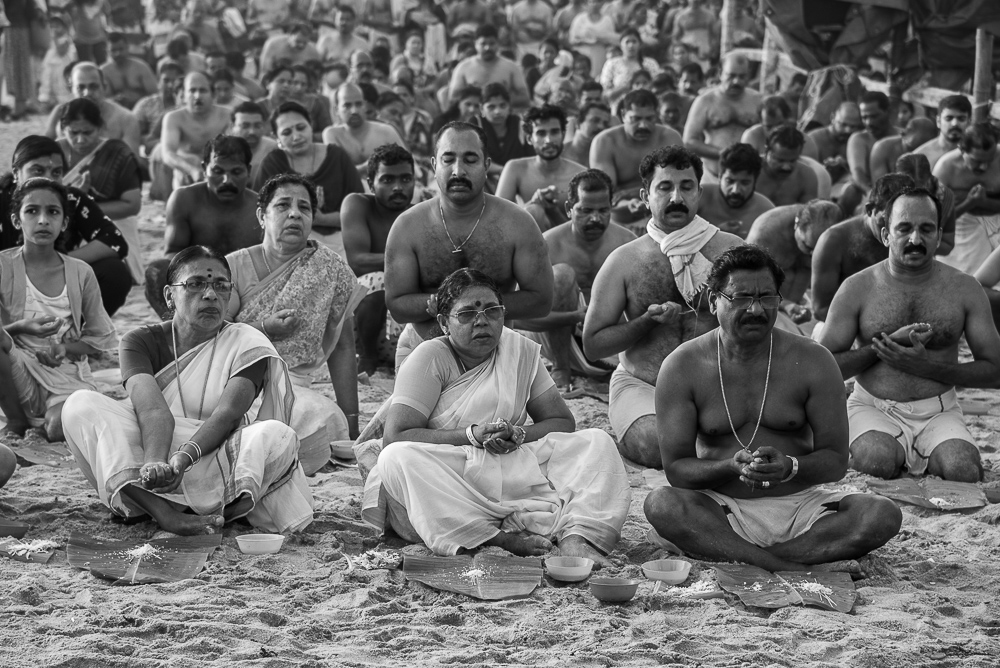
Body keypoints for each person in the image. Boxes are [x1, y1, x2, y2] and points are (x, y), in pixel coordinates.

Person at [644, 245, 901, 574]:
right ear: (713, 300)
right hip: (720, 509)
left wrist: (791, 466)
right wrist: (728, 467)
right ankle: (787, 562)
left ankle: (756, 559)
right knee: (661, 504)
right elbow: (677, 469)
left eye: (767, 297)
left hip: (802, 509)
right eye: (740, 298)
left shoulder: (813, 360)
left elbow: (836, 462)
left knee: (882, 514)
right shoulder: (682, 366)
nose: (755, 309)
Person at [358, 268, 631, 560]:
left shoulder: (518, 350)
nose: (481, 321)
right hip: (452, 475)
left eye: (492, 311)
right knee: (396, 458)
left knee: (597, 442)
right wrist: (470, 436)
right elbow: (396, 436)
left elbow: (562, 421)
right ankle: (496, 539)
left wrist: (519, 434)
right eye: (467, 314)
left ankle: (577, 537)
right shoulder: (429, 357)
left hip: (511, 464)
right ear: (443, 323)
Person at [63, 246, 314, 536]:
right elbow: (152, 410)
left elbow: (228, 414)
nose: (210, 295)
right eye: (195, 284)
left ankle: (220, 508)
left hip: (217, 453)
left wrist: (182, 459)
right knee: (80, 405)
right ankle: (164, 512)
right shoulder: (138, 341)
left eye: (221, 286)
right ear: (170, 295)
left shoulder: (247, 341)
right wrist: (155, 462)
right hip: (151, 449)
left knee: (276, 434)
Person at [818, 187, 1000, 481]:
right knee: (876, 462)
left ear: (939, 236)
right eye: (904, 228)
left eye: (926, 229)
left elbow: (995, 371)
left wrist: (927, 368)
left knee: (963, 470)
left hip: (940, 409)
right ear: (885, 234)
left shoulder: (965, 289)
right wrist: (884, 348)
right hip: (873, 407)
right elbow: (822, 367)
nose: (915, 239)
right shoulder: (857, 288)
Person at [583, 146, 743, 467]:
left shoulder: (733, 252)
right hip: (643, 385)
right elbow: (593, 345)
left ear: (699, 191)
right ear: (645, 196)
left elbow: (763, 323)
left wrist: (724, 309)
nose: (676, 198)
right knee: (661, 445)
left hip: (719, 384)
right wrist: (646, 322)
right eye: (665, 187)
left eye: (686, 187)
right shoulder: (624, 260)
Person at [384, 121, 553, 371]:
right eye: (448, 160)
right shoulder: (408, 226)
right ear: (433, 166)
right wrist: (438, 304)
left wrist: (480, 306)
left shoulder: (517, 223)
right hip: (425, 348)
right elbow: (397, 304)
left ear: (486, 166)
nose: (458, 171)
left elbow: (541, 300)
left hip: (497, 353)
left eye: (470, 160)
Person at [227, 173, 365, 469]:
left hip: (293, 387)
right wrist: (265, 328)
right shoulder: (231, 266)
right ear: (261, 216)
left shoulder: (330, 269)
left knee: (327, 420)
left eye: (304, 208)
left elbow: (343, 348)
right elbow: (215, 336)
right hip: (234, 381)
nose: (294, 213)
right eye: (283, 206)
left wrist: (352, 423)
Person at [0, 178, 118, 441]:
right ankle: (16, 420)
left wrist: (65, 348)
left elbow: (100, 338)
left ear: (64, 223)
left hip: (66, 376)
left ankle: (43, 425)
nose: (42, 220)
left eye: (52, 212)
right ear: (16, 220)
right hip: (17, 376)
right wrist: (20, 327)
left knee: (57, 427)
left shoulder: (80, 272)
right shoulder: (3, 266)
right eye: (32, 211)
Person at [516, 169, 635, 389]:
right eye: (585, 210)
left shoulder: (626, 242)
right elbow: (517, 317)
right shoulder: (547, 245)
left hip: (608, 343)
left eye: (603, 210)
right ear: (569, 210)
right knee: (562, 275)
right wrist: (573, 317)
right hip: (557, 339)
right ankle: (561, 367)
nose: (595, 219)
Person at [0, 136, 132, 316]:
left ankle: (74, 334)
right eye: (37, 170)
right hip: (6, 287)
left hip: (55, 285)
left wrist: (57, 263)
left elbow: (115, 241)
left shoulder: (71, 200)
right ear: (16, 172)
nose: (48, 179)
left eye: (56, 172)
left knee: (114, 272)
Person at [145, 137, 262, 319]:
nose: (226, 180)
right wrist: (199, 277)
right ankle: (177, 330)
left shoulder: (261, 207)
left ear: (248, 171)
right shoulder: (184, 199)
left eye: (236, 172)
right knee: (157, 271)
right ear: (204, 170)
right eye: (217, 171)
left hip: (246, 288)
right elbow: (172, 254)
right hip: (195, 282)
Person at [254, 101, 364, 259]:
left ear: (311, 125)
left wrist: (323, 219)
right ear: (276, 137)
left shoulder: (337, 156)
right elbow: (262, 214)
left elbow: (359, 215)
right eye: (286, 132)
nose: (296, 136)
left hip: (341, 241)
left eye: (301, 128)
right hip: (288, 243)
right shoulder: (273, 163)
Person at [342, 145, 416, 375]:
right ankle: (367, 358)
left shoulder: (422, 214)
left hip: (405, 329)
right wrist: (412, 261)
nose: (398, 187)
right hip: (362, 328)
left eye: (406, 179)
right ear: (371, 182)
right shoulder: (358, 204)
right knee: (377, 279)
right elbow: (358, 261)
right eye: (387, 180)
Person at [57, 98, 145, 286]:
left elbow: (132, 205)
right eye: (74, 133)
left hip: (110, 225)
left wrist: (82, 206)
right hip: (61, 222)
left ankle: (63, 261)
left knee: (109, 265)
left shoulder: (118, 154)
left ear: (100, 128)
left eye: (87, 132)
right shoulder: (54, 153)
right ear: (63, 129)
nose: (80, 139)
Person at [810, 174, 914, 326]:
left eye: (901, 225)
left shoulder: (915, 238)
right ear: (870, 210)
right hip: (844, 327)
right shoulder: (834, 240)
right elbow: (821, 309)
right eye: (885, 221)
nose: (890, 232)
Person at [590, 89, 683, 231]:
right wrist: (629, 202)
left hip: (664, 219)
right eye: (636, 119)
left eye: (649, 119)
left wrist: (631, 192)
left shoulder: (670, 138)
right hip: (620, 222)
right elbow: (604, 193)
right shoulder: (605, 142)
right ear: (623, 115)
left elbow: (678, 183)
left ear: (657, 116)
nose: (643, 125)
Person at [746, 200, 842, 332]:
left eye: (819, 249)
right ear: (797, 224)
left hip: (801, 305)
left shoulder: (837, 235)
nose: (814, 255)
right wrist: (785, 304)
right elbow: (749, 283)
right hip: (765, 305)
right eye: (808, 246)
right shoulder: (765, 233)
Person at [496, 105, 587, 232]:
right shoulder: (515, 168)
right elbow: (498, 216)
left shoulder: (580, 174)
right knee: (534, 211)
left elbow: (585, 228)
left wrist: (554, 212)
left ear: (563, 135)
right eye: (541, 133)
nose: (548, 140)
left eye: (554, 132)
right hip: (525, 242)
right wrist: (533, 204)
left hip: (568, 244)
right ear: (529, 138)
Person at [932, 122, 1000, 275]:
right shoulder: (945, 167)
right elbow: (936, 217)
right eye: (977, 161)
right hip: (960, 225)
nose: (983, 167)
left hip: (997, 222)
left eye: (990, 160)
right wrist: (969, 203)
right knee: (957, 279)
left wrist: (985, 202)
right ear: (962, 150)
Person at [683, 53, 762, 180]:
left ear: (749, 75)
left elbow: (770, 135)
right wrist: (725, 154)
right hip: (712, 175)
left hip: (748, 178)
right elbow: (689, 142)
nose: (737, 81)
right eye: (731, 76)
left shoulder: (758, 101)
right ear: (720, 73)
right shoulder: (705, 101)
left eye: (742, 76)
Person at [45, 62, 142, 155]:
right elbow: (40, 151)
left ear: (104, 87)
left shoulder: (126, 119)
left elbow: (131, 162)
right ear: (71, 89)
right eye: (81, 87)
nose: (87, 93)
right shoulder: (60, 113)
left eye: (94, 87)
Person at [160, 71, 232, 192]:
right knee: (190, 159)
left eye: (203, 90)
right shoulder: (174, 118)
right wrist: (191, 170)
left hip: (222, 171)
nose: (197, 96)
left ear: (212, 94)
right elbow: (167, 154)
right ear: (184, 94)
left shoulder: (227, 115)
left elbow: (236, 150)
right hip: (186, 175)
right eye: (192, 90)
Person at [322, 83, 406, 181]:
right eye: (347, 105)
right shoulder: (332, 134)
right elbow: (338, 173)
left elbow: (408, 165)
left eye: (358, 104)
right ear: (337, 110)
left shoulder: (386, 130)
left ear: (365, 105)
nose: (354, 111)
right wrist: (369, 166)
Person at [698, 143, 775, 238]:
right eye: (730, 181)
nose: (735, 190)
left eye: (745, 183)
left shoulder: (766, 213)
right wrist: (714, 234)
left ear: (755, 181)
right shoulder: (698, 197)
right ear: (719, 177)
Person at [841, 92, 898, 216]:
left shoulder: (901, 138)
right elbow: (857, 172)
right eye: (864, 117)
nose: (869, 122)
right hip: (869, 192)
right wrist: (872, 195)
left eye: (874, 116)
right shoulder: (859, 139)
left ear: (887, 112)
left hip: (898, 193)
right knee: (850, 191)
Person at [448, 26, 531, 111]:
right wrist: (479, 101)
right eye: (483, 44)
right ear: (475, 44)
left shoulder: (511, 67)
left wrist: (499, 102)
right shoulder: (463, 67)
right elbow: (454, 98)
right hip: (473, 118)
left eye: (492, 43)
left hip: (502, 117)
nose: (487, 48)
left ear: (498, 43)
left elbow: (525, 98)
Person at [755, 125, 819, 207]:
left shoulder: (806, 176)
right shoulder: (750, 170)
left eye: (792, 161)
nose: (786, 167)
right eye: (780, 160)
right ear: (767, 151)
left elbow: (808, 214)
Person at [869, 117, 938, 186]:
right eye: (912, 148)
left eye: (923, 147)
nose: (918, 151)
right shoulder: (882, 147)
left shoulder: (934, 152)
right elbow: (880, 188)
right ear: (903, 134)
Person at [599, 29, 660, 105]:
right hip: (618, 106)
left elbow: (658, 86)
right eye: (627, 42)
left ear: (640, 44)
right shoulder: (611, 64)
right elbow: (605, 93)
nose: (631, 45)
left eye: (634, 41)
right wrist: (626, 87)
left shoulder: (650, 63)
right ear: (620, 45)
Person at [808, 101, 862, 187]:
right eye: (843, 124)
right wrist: (823, 169)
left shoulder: (859, 141)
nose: (848, 130)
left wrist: (846, 165)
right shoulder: (813, 139)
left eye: (853, 127)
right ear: (832, 117)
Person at [100, 32, 158, 110]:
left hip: (145, 109)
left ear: (127, 48)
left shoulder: (141, 67)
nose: (118, 53)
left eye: (121, 49)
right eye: (113, 50)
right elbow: (103, 100)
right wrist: (115, 100)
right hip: (117, 111)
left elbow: (154, 94)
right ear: (107, 51)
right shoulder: (104, 71)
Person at [914, 95, 972, 170]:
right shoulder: (920, 158)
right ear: (938, 121)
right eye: (949, 118)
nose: (954, 123)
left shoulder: (977, 156)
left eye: (961, 119)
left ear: (969, 122)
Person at [568, 0, 620, 80]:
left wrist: (599, 39)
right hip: (582, 54)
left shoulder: (607, 20)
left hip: (599, 55)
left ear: (602, 3)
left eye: (597, 1)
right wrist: (586, 40)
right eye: (591, 2)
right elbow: (572, 39)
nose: (594, 4)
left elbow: (612, 40)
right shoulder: (579, 18)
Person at [230, 101, 278, 186]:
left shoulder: (272, 149)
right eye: (245, 126)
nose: (252, 132)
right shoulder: (221, 150)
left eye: (257, 126)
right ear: (233, 126)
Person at [562, 102, 612, 167]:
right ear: (578, 123)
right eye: (595, 120)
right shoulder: (559, 155)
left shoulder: (607, 157)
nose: (601, 126)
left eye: (605, 124)